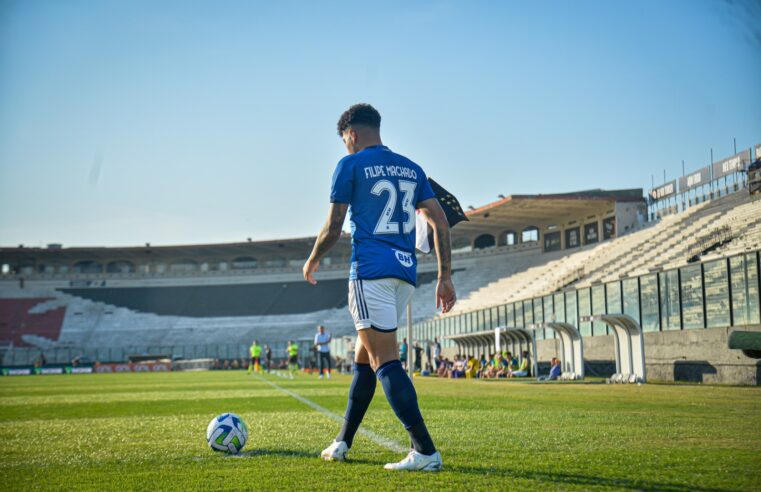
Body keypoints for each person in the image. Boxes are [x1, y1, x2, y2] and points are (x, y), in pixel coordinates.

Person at [303, 104, 455, 471]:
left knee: (383, 361)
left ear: (351, 134)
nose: (345, 147)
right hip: (404, 275)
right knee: (363, 361)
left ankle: (424, 450)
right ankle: (343, 441)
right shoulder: (411, 167)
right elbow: (441, 223)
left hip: (369, 272)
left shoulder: (350, 165)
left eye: (344, 141)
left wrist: (312, 259)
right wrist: (444, 276)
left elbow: (334, 226)